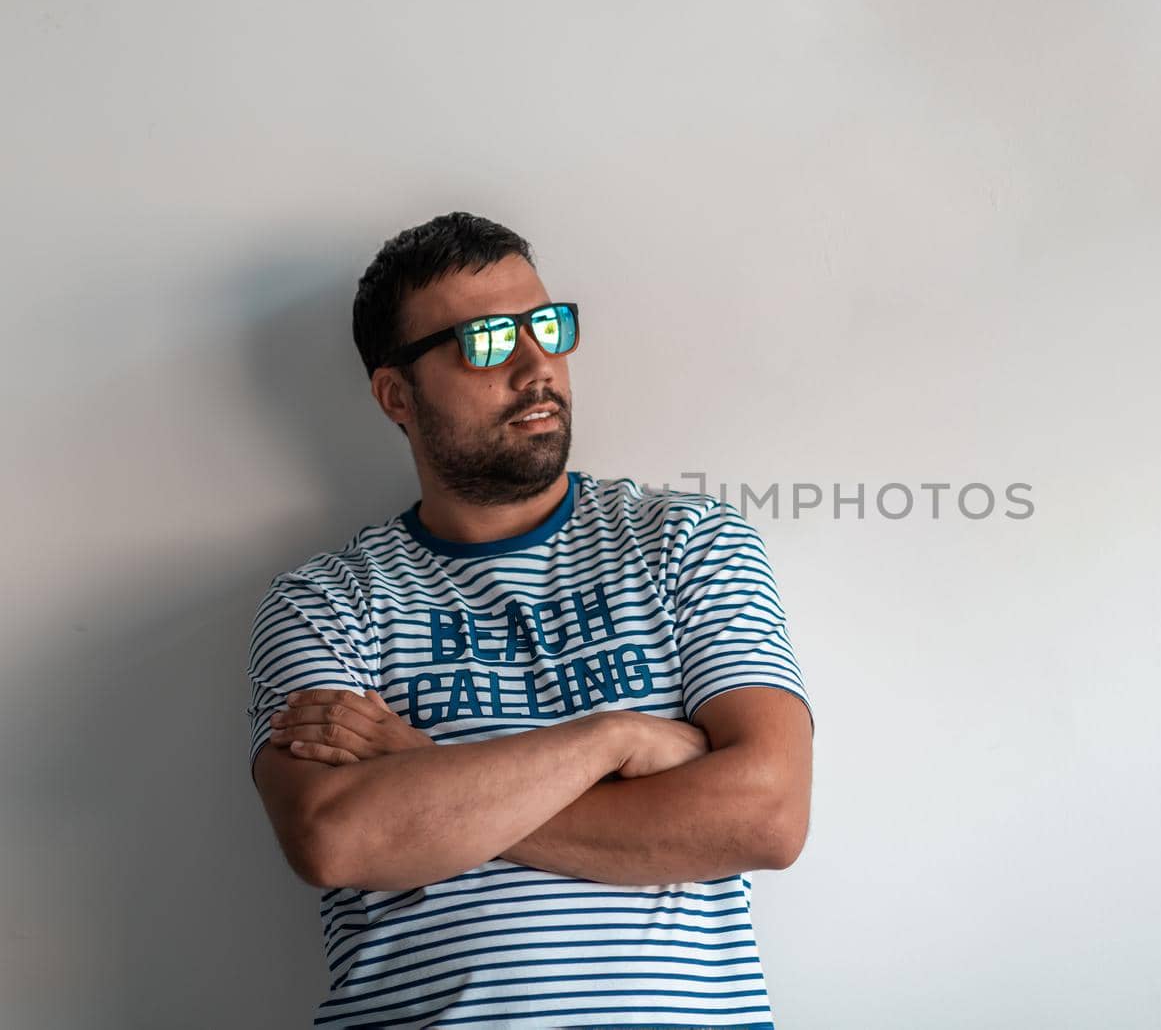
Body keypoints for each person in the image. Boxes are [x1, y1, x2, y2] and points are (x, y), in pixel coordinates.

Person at [246, 211, 815, 1030]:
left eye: (546, 326)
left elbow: (768, 812)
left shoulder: (689, 543)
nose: (535, 362)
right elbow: (337, 838)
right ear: (395, 393)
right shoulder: (327, 601)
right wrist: (615, 740)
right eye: (484, 340)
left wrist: (425, 771)